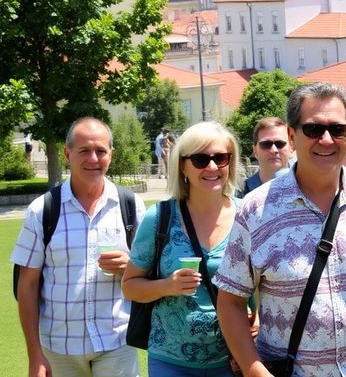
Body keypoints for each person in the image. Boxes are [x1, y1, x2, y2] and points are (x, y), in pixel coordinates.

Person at [214, 82, 346, 377]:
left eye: (337, 129)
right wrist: (255, 372)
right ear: (292, 135)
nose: (326, 140)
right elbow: (231, 302)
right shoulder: (256, 208)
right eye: (313, 129)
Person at [11, 117, 146, 377]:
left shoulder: (131, 205)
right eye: (84, 150)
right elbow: (27, 285)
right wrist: (34, 354)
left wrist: (130, 267)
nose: (93, 159)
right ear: (67, 153)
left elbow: (150, 271)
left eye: (101, 151)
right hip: (60, 347)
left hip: (116, 342)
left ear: (111, 155)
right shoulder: (42, 210)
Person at [122, 121, 246, 376]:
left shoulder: (248, 215)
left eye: (221, 158)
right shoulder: (159, 217)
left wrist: (257, 317)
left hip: (233, 358)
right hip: (170, 361)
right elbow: (129, 286)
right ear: (182, 166)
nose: (212, 167)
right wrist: (168, 285)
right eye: (200, 159)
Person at [239, 117, 294, 196]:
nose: (273, 150)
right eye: (266, 144)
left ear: (291, 147)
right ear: (255, 150)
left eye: (280, 144)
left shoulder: (308, 188)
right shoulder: (241, 194)